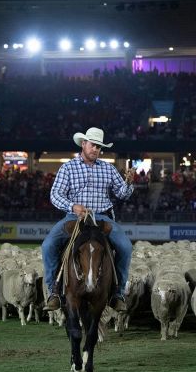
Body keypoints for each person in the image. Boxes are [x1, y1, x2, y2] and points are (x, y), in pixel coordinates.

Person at [42, 127, 134, 312]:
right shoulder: (67, 167)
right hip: (74, 216)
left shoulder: (108, 168)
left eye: (99, 147)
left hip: (102, 217)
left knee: (126, 247)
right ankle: (53, 290)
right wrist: (72, 206)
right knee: (48, 245)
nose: (96, 150)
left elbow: (122, 194)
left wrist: (129, 183)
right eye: (93, 145)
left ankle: (118, 293)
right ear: (83, 144)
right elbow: (55, 195)